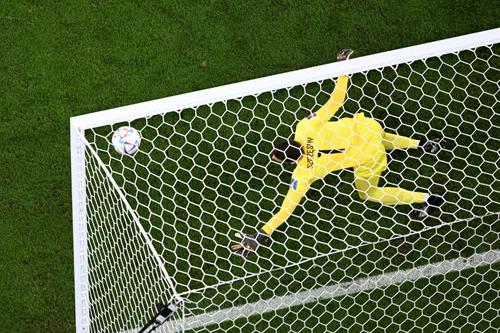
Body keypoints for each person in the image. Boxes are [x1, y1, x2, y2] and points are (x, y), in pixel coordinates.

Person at [231, 49, 444, 258]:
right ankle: (423, 144)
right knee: (377, 137)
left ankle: (427, 198)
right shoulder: (305, 127)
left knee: (368, 193)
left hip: (367, 156)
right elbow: (336, 101)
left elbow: (286, 209)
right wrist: (343, 68)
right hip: (367, 127)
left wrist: (262, 233)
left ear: (291, 162)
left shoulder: (304, 172)